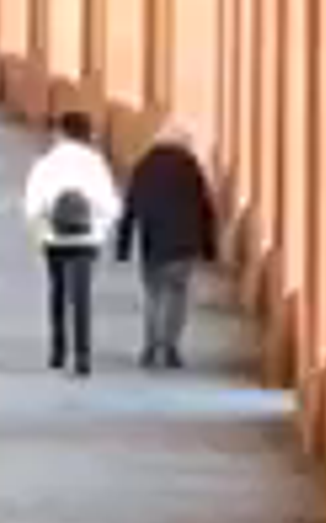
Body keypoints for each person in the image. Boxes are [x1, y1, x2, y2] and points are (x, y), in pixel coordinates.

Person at [20, 107, 121, 375]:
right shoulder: (95, 163)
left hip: (54, 236)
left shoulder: (45, 162)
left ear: (61, 132)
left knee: (57, 292)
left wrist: (40, 232)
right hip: (87, 238)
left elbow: (32, 205)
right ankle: (83, 356)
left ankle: (57, 351)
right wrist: (101, 230)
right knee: (82, 297)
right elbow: (110, 205)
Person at [114, 121, 219, 367]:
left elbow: (130, 207)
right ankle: (171, 345)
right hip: (184, 244)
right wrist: (209, 247)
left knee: (153, 295)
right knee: (177, 295)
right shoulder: (190, 167)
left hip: (153, 242)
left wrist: (124, 245)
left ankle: (150, 346)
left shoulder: (144, 165)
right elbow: (205, 209)